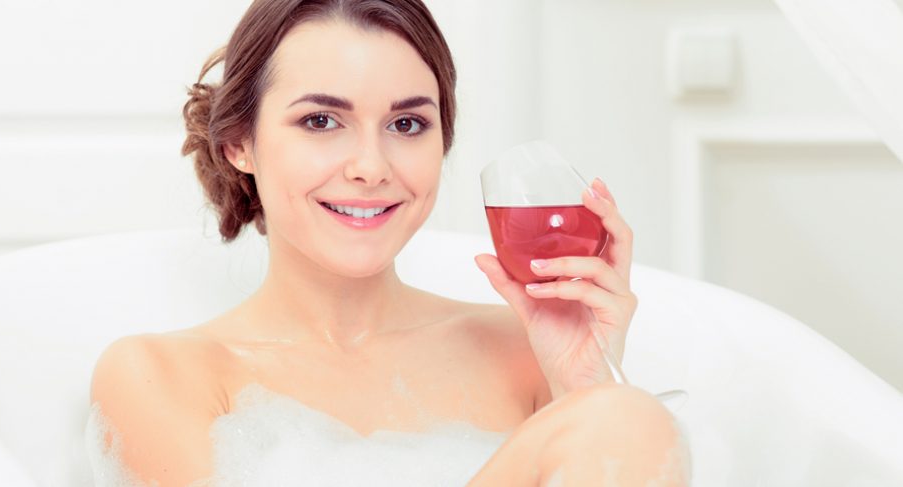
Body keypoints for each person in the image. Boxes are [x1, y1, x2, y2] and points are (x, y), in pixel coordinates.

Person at [87, 0, 691, 485]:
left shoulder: (526, 352)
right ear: (238, 145)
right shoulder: (160, 375)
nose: (371, 167)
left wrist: (585, 382)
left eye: (407, 124)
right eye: (321, 121)